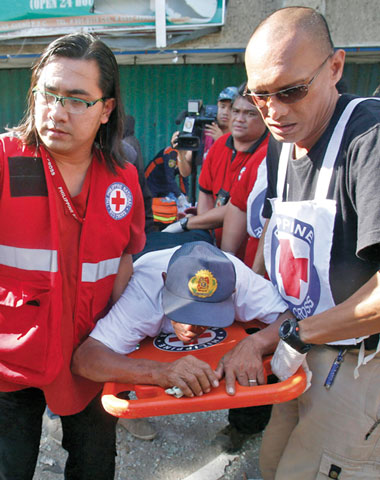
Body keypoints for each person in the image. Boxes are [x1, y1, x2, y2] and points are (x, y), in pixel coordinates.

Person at [216, 7, 380, 480]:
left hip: (356, 366)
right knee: (271, 466)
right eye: (259, 95)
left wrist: (292, 335)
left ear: (335, 68)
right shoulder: (280, 143)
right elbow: (280, 244)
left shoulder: (367, 139)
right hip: (300, 349)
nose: (274, 111)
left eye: (290, 91)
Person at [0, 33, 146, 480]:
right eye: (49, 93)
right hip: (9, 361)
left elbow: (126, 258)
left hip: (90, 358)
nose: (57, 111)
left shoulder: (123, 178)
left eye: (78, 100)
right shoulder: (7, 160)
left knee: (95, 467)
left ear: (107, 110)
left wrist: (118, 340)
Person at [72, 241, 289, 396]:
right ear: (164, 282)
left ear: (232, 293)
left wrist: (255, 344)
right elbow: (85, 359)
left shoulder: (238, 278)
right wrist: (160, 372)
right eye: (183, 312)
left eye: (204, 315)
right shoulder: (142, 291)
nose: (190, 327)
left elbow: (292, 317)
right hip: (155, 246)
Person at [163, 88, 268, 261]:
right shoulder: (219, 146)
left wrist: (188, 224)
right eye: (236, 111)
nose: (239, 119)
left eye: (250, 113)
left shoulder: (268, 155)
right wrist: (205, 234)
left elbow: (236, 207)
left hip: (248, 256)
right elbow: (205, 196)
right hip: (214, 248)